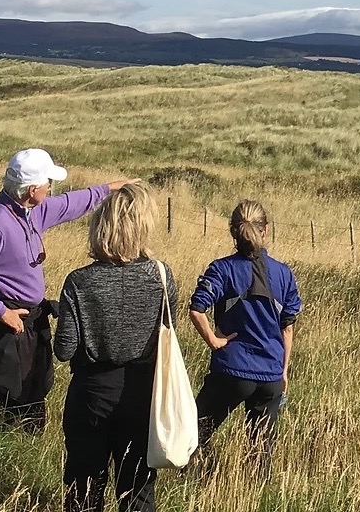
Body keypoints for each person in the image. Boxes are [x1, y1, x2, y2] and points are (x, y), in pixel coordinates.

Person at [0, 147, 138, 430]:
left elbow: (71, 203)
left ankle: (24, 439)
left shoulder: (31, 211)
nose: (51, 188)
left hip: (26, 324)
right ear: (32, 190)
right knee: (0, 404)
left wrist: (110, 188)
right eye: (47, 183)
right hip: (5, 330)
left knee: (31, 395)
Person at [54, 182, 172, 512]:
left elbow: (64, 349)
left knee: (84, 488)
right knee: (137, 491)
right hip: (141, 392)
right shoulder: (162, 276)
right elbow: (166, 335)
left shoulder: (79, 281)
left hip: (91, 393)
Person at [188, 199, 302, 470]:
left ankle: (193, 487)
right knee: (261, 455)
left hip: (232, 371)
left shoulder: (222, 269)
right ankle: (255, 496)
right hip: (270, 375)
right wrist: (283, 371)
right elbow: (288, 327)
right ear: (266, 230)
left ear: (232, 231)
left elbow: (196, 309)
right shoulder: (283, 274)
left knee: (192, 436)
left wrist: (214, 341)